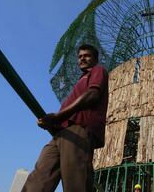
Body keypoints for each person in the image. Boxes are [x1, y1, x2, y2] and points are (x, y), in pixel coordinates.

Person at [22, 44, 109, 192]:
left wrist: (58, 116)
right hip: (60, 133)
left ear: (95, 58)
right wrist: (51, 122)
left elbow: (92, 95)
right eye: (80, 56)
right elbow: (64, 113)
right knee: (39, 177)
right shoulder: (80, 81)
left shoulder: (98, 71)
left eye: (86, 55)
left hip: (79, 129)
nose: (82, 58)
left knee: (75, 181)